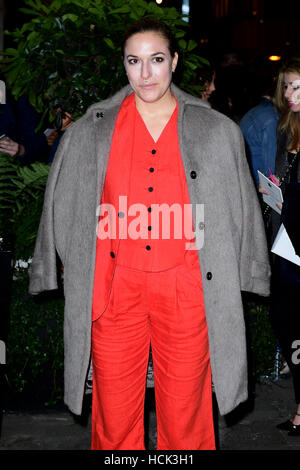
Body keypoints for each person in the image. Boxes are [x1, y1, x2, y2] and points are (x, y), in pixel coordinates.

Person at [29, 18, 270, 450]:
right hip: (114, 294)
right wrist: (57, 262)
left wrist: (251, 271)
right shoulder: (92, 130)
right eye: (134, 61)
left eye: (156, 60)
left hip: (188, 291)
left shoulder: (216, 131)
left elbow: (241, 208)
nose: (145, 74)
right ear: (123, 65)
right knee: (114, 422)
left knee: (188, 422)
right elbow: (61, 203)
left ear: (174, 62)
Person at [260, 58, 300, 436]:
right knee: (285, 321)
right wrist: (274, 192)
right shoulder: (288, 128)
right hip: (287, 244)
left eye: (297, 87)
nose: (288, 94)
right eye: (286, 86)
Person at [240, 68, 280, 185]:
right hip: (259, 189)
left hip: (247, 183)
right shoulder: (271, 118)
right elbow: (270, 173)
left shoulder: (255, 112)